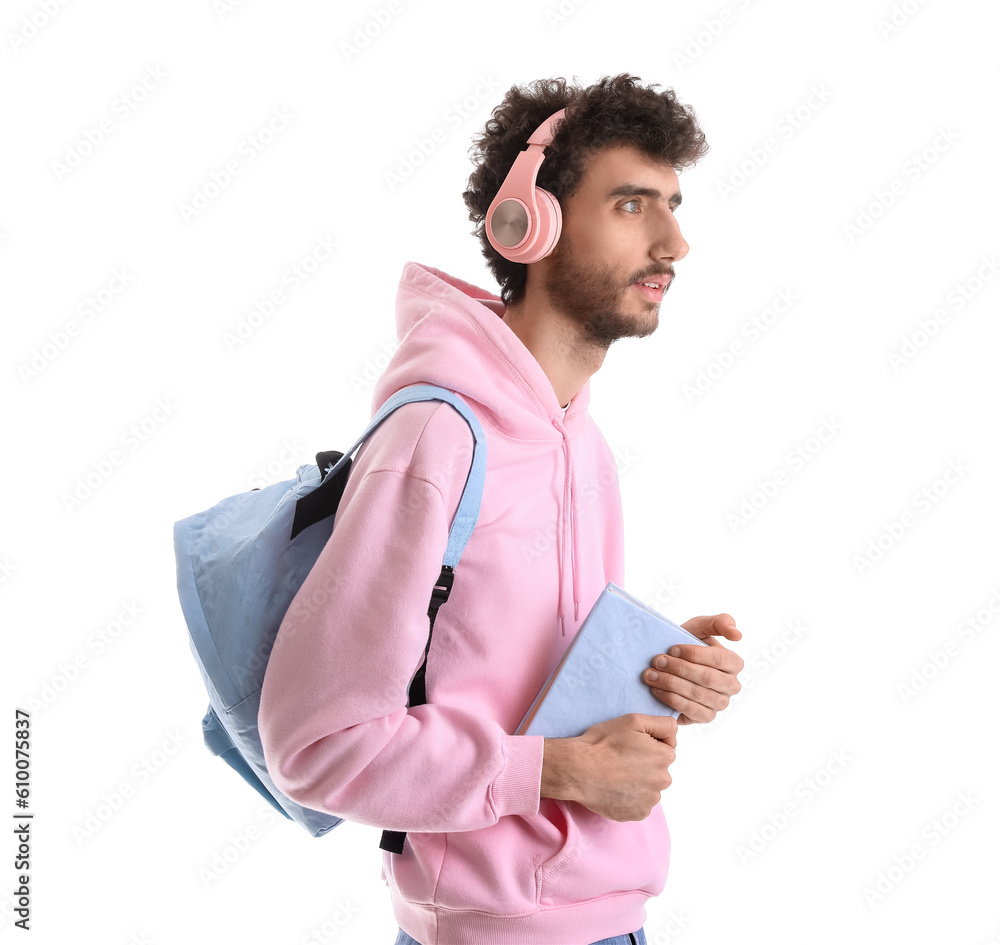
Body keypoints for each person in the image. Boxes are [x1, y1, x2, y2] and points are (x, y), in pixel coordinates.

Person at [259, 73, 744, 945]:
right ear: (528, 223)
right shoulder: (435, 440)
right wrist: (561, 771)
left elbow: (513, 679)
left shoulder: (581, 441)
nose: (675, 241)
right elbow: (316, 742)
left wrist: (657, 672)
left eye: (673, 204)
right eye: (634, 205)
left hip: (613, 922)